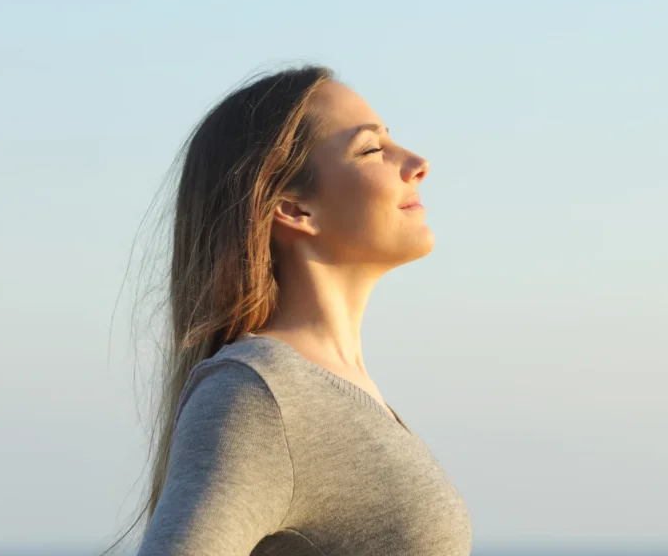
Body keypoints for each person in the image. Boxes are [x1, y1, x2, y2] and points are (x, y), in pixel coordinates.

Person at [129, 66, 472, 555]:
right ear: (292, 209)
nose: (418, 163)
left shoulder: (332, 390)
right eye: (372, 149)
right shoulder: (257, 393)